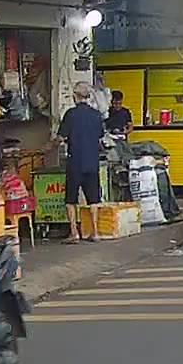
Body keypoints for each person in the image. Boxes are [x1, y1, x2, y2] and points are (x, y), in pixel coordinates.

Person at [54, 82, 104, 243]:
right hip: (92, 163)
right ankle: (95, 232)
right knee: (93, 199)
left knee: (71, 200)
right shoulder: (96, 115)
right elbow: (100, 136)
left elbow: (60, 137)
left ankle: (74, 233)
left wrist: (51, 144)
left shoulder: (70, 114)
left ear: (75, 96)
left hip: (75, 162)